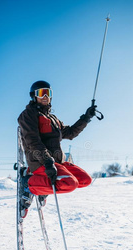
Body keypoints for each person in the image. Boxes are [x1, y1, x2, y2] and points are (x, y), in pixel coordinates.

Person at [18, 80, 97, 217]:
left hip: (56, 162)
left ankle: (43, 189)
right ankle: (28, 184)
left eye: (48, 93)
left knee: (85, 179)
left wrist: (86, 118)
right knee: (69, 183)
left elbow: (71, 133)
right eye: (41, 93)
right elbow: (33, 141)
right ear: (34, 96)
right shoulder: (28, 115)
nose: (45, 96)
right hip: (41, 162)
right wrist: (47, 161)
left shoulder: (53, 119)